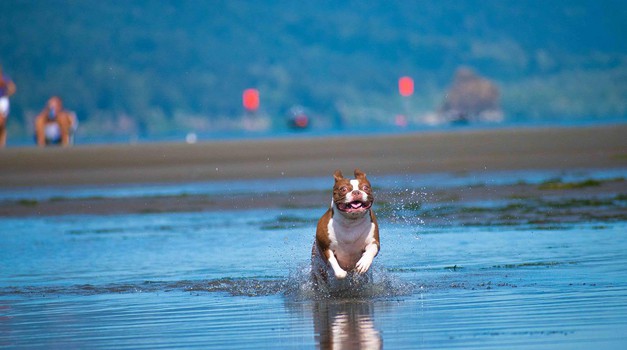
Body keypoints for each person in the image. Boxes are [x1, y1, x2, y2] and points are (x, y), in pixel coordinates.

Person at [0, 65, 17, 148]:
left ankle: (2, 143)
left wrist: (7, 93)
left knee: (2, 122)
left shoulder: (4, 79)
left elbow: (12, 88)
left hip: (2, 100)